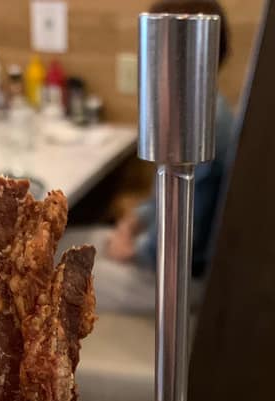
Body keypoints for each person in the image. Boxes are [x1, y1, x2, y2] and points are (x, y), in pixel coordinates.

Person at [60, 0, 235, 316]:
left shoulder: (204, 129)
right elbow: (165, 201)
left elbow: (185, 240)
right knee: (60, 244)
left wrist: (131, 249)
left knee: (52, 268)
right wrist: (133, 221)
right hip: (154, 249)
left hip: (174, 275)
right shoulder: (201, 110)